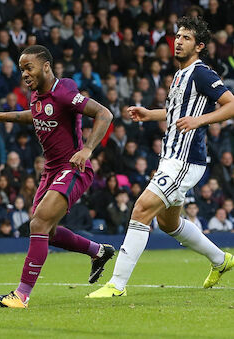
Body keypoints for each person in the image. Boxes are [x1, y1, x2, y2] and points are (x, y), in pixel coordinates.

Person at [89, 17, 234, 298]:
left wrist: (200, 120)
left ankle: (116, 284)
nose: (178, 41)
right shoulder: (180, 74)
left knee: (142, 209)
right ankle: (221, 260)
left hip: (185, 160)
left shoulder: (202, 73)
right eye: (177, 36)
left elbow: (231, 105)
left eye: (186, 38)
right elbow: (176, 114)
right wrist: (151, 114)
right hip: (170, 157)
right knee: (168, 223)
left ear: (199, 46)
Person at [0, 45, 115, 308]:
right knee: (44, 231)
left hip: (73, 167)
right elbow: (35, 116)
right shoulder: (37, 95)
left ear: (46, 66)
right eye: (21, 70)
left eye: (29, 68)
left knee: (38, 224)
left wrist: (87, 149)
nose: (24, 74)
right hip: (50, 170)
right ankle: (99, 251)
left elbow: (104, 113)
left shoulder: (64, 92)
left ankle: (21, 295)